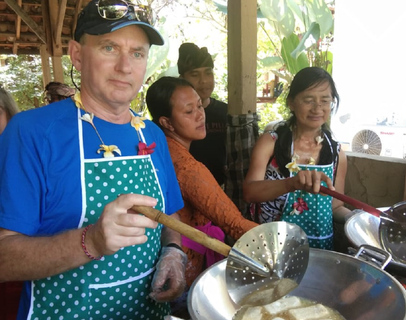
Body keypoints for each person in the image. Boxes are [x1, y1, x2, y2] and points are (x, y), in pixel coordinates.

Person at [0, 1, 187, 319]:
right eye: (109, 47)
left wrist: (173, 250)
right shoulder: (32, 132)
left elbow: (169, 217)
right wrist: (92, 241)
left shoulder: (152, 134)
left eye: (137, 53)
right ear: (76, 54)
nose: (125, 67)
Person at [146, 76, 259, 316]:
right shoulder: (186, 167)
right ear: (167, 122)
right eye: (189, 111)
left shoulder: (157, 151)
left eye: (199, 105)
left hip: (158, 262)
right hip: (182, 271)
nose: (200, 115)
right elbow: (235, 225)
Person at [243, 66, 351, 250]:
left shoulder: (336, 154)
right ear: (292, 102)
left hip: (319, 249)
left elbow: (335, 207)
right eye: (308, 100)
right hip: (271, 247)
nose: (317, 108)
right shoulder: (270, 144)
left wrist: (356, 218)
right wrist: (291, 183)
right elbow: (249, 192)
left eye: (325, 100)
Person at [177, 42, 228, 188]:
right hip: (185, 188)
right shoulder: (173, 116)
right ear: (182, 78)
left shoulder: (226, 112)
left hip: (221, 188)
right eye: (195, 74)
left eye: (208, 73)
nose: (204, 80)